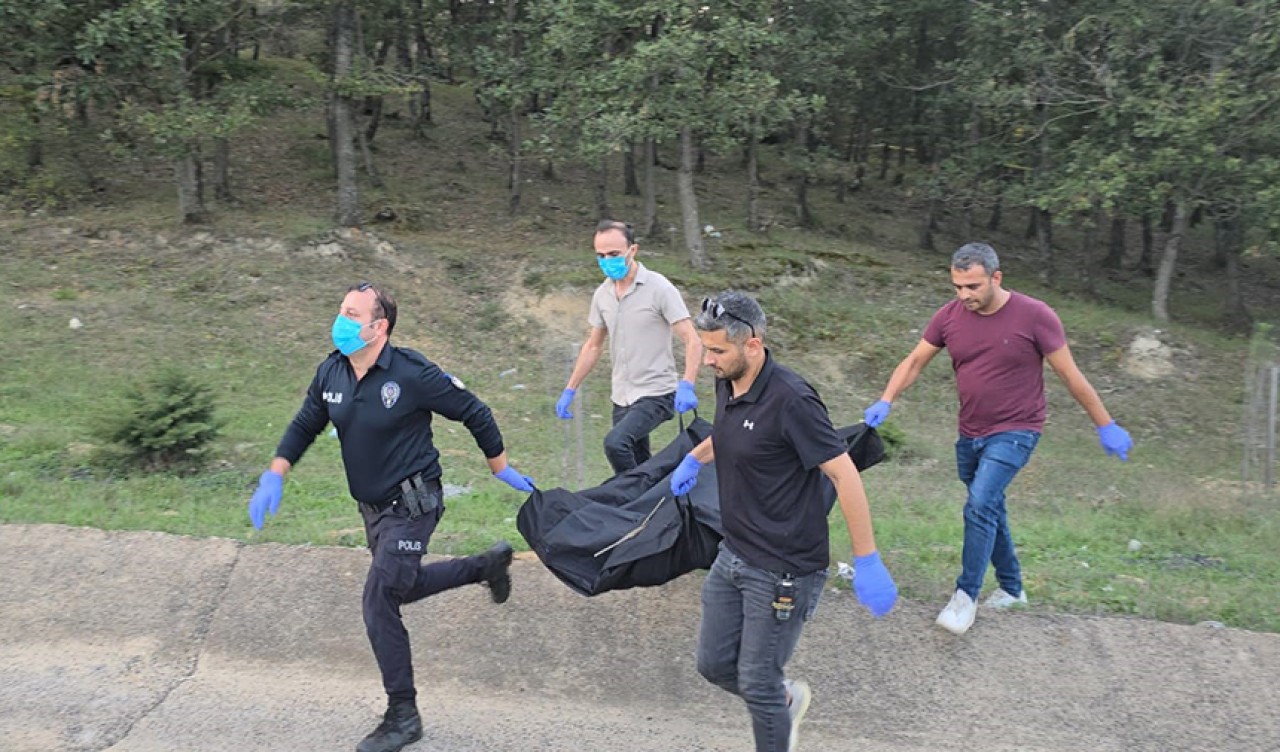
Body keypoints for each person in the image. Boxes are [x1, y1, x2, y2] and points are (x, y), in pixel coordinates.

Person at [245, 282, 536, 752]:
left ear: (378, 327)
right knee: (400, 584)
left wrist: (499, 466)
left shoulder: (411, 372)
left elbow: (473, 411)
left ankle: (403, 716)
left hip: (414, 503)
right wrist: (274, 473)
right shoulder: (332, 371)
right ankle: (484, 567)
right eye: (340, 309)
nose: (339, 320)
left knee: (379, 599)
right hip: (373, 510)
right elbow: (306, 422)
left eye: (350, 313)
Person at [863, 242, 1133, 636]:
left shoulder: (1035, 316)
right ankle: (1011, 588)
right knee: (988, 507)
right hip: (970, 432)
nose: (964, 295)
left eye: (972, 286)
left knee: (979, 505)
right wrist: (887, 399)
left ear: (996, 277)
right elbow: (915, 360)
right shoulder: (950, 316)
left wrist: (1105, 424)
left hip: (1018, 429)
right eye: (957, 286)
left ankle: (964, 597)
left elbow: (1071, 377)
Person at [668, 291, 898, 752]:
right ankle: (783, 700)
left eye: (717, 351)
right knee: (714, 665)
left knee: (757, 680)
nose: (707, 360)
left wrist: (867, 557)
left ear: (752, 345)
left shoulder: (792, 399)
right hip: (733, 554)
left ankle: (773, 706)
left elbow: (843, 471)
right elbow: (734, 433)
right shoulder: (728, 378)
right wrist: (694, 458)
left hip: (783, 569)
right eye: (705, 349)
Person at [555, 219, 704, 476]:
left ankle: (635, 499)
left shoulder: (659, 288)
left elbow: (692, 339)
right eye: (600, 256)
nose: (606, 261)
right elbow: (593, 346)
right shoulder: (602, 295)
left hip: (656, 393)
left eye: (613, 254)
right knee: (637, 462)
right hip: (622, 395)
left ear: (632, 250)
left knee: (616, 444)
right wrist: (570, 389)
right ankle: (650, 506)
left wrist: (688, 384)